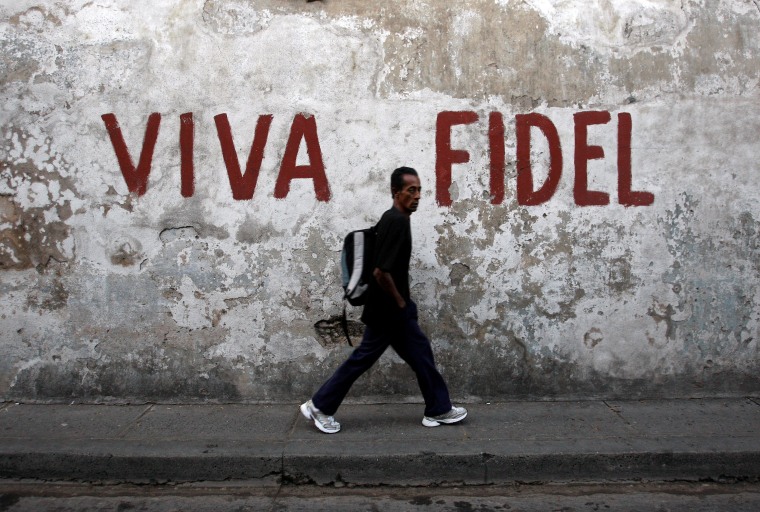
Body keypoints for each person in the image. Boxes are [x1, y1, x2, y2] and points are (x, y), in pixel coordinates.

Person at [300, 166, 467, 433]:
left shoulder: (392, 218)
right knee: (364, 360)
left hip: (388, 310)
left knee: (420, 354)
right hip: (390, 311)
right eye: (411, 190)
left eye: (419, 190)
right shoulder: (397, 222)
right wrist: (402, 304)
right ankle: (319, 406)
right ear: (396, 192)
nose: (417, 195)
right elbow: (381, 271)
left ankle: (438, 408)